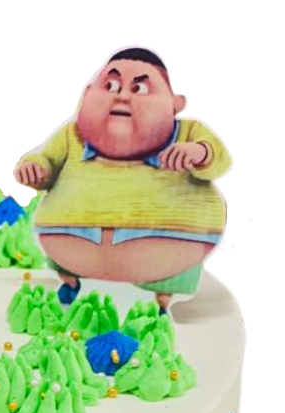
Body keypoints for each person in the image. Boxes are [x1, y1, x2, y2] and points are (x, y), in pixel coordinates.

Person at [14, 48, 230, 310]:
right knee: (65, 268)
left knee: (168, 283)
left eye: (139, 89)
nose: (123, 96)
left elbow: (219, 158)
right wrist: (35, 168)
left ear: (175, 104)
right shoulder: (72, 136)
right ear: (87, 93)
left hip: (171, 246)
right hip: (69, 241)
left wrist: (199, 152)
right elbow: (46, 160)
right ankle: (70, 282)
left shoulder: (188, 132)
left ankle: (162, 302)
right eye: (111, 86)